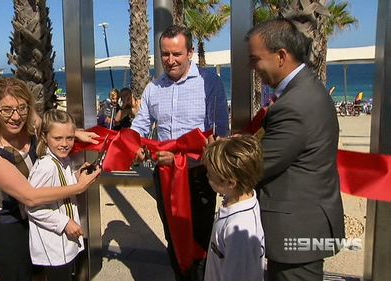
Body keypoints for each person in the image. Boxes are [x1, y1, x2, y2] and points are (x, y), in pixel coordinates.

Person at [246, 18, 344, 281]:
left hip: (298, 231)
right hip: (304, 226)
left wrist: (212, 155)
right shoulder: (302, 91)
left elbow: (260, 164)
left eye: (255, 59)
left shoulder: (295, 104)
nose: (252, 67)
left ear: (281, 56)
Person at [0, 77, 101, 281]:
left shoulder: (28, 119)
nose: (16, 116)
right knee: (18, 268)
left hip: (32, 208)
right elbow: (31, 197)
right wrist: (78, 187)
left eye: (22, 108)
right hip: (6, 214)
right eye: (6, 110)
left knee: (41, 266)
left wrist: (74, 134)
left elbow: (49, 128)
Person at [131, 25, 229, 281]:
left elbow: (220, 138)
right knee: (173, 237)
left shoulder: (210, 82)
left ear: (190, 52)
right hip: (164, 176)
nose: (170, 60)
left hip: (199, 177)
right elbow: (138, 130)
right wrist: (138, 149)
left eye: (177, 53)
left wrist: (185, 158)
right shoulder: (153, 88)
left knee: (200, 240)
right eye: (165, 54)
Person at [26, 109, 91, 280]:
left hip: (64, 242)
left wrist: (79, 176)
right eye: (58, 138)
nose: (64, 144)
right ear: (44, 137)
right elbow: (33, 206)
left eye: (69, 138)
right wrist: (64, 223)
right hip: (53, 245)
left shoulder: (63, 160)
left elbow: (64, 186)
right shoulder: (46, 167)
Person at [202, 135, 265, 281]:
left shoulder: (239, 229)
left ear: (230, 183)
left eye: (211, 175)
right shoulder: (241, 200)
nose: (207, 176)